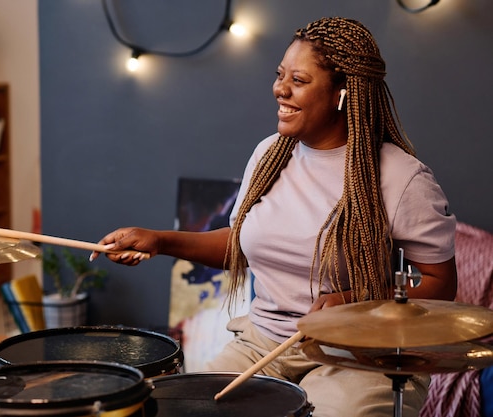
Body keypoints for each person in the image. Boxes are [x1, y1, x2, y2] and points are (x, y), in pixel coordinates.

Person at [90, 16, 457, 417]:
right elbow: (239, 242)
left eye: (298, 80)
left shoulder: (401, 178)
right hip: (263, 343)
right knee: (183, 409)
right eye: (280, 75)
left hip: (356, 355)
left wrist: (355, 304)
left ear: (342, 93)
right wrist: (159, 241)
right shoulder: (270, 155)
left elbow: (441, 282)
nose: (279, 89)